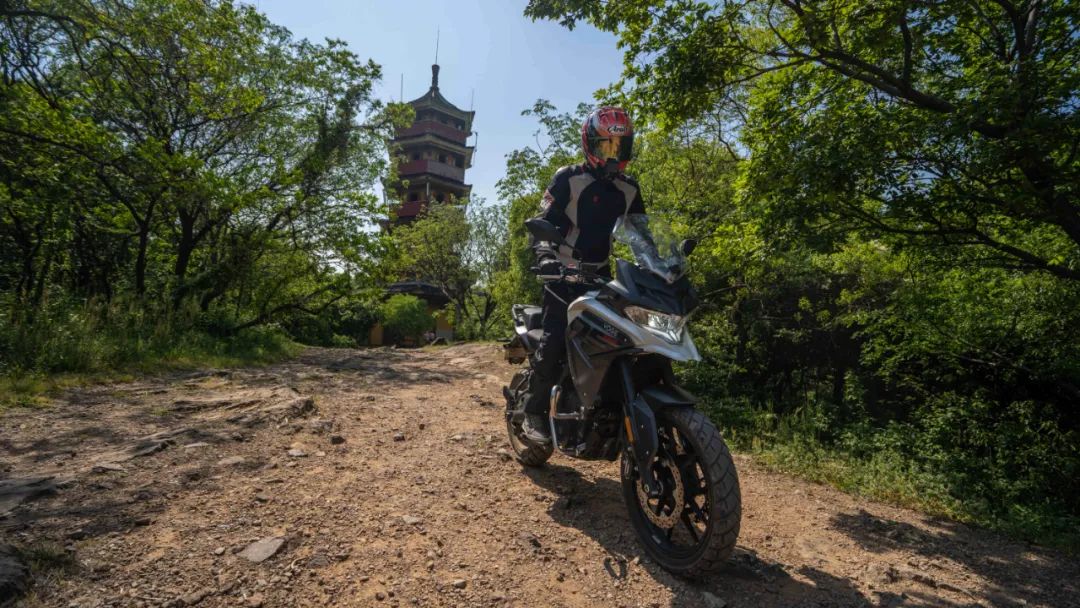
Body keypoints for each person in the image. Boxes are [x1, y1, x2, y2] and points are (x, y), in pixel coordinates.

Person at [521, 106, 647, 444]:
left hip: (603, 277)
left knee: (626, 340)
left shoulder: (630, 189)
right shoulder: (568, 178)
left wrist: (663, 268)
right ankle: (533, 411)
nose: (613, 156)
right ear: (589, 144)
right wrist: (545, 256)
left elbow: (642, 238)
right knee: (555, 339)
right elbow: (543, 223)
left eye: (620, 147)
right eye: (606, 146)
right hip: (564, 275)